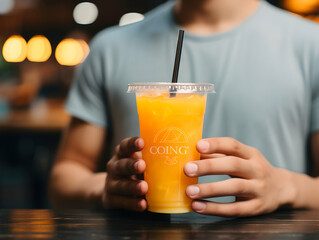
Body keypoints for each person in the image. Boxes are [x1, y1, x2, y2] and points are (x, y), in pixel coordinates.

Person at [49, 0, 319, 217]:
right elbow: (64, 179)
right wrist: (105, 189)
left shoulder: (311, 45)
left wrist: (287, 187)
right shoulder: (109, 48)